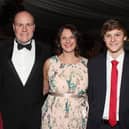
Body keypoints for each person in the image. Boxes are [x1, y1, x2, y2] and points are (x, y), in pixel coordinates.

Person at [0, 10, 50, 129]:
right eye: (20, 25)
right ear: (13, 27)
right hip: (8, 116)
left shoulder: (46, 50)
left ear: (33, 27)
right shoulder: (1, 49)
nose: (24, 29)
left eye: (28, 25)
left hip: (36, 116)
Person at [41, 24, 89, 129]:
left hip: (78, 116)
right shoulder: (50, 63)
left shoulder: (87, 64)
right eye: (64, 38)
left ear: (77, 40)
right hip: (53, 116)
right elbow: (44, 90)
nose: (68, 41)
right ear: (59, 41)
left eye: (71, 37)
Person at [87, 19, 129, 129]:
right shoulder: (93, 64)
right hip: (99, 124)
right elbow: (90, 97)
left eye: (117, 35)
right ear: (104, 39)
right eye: (108, 35)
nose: (113, 40)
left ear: (125, 37)